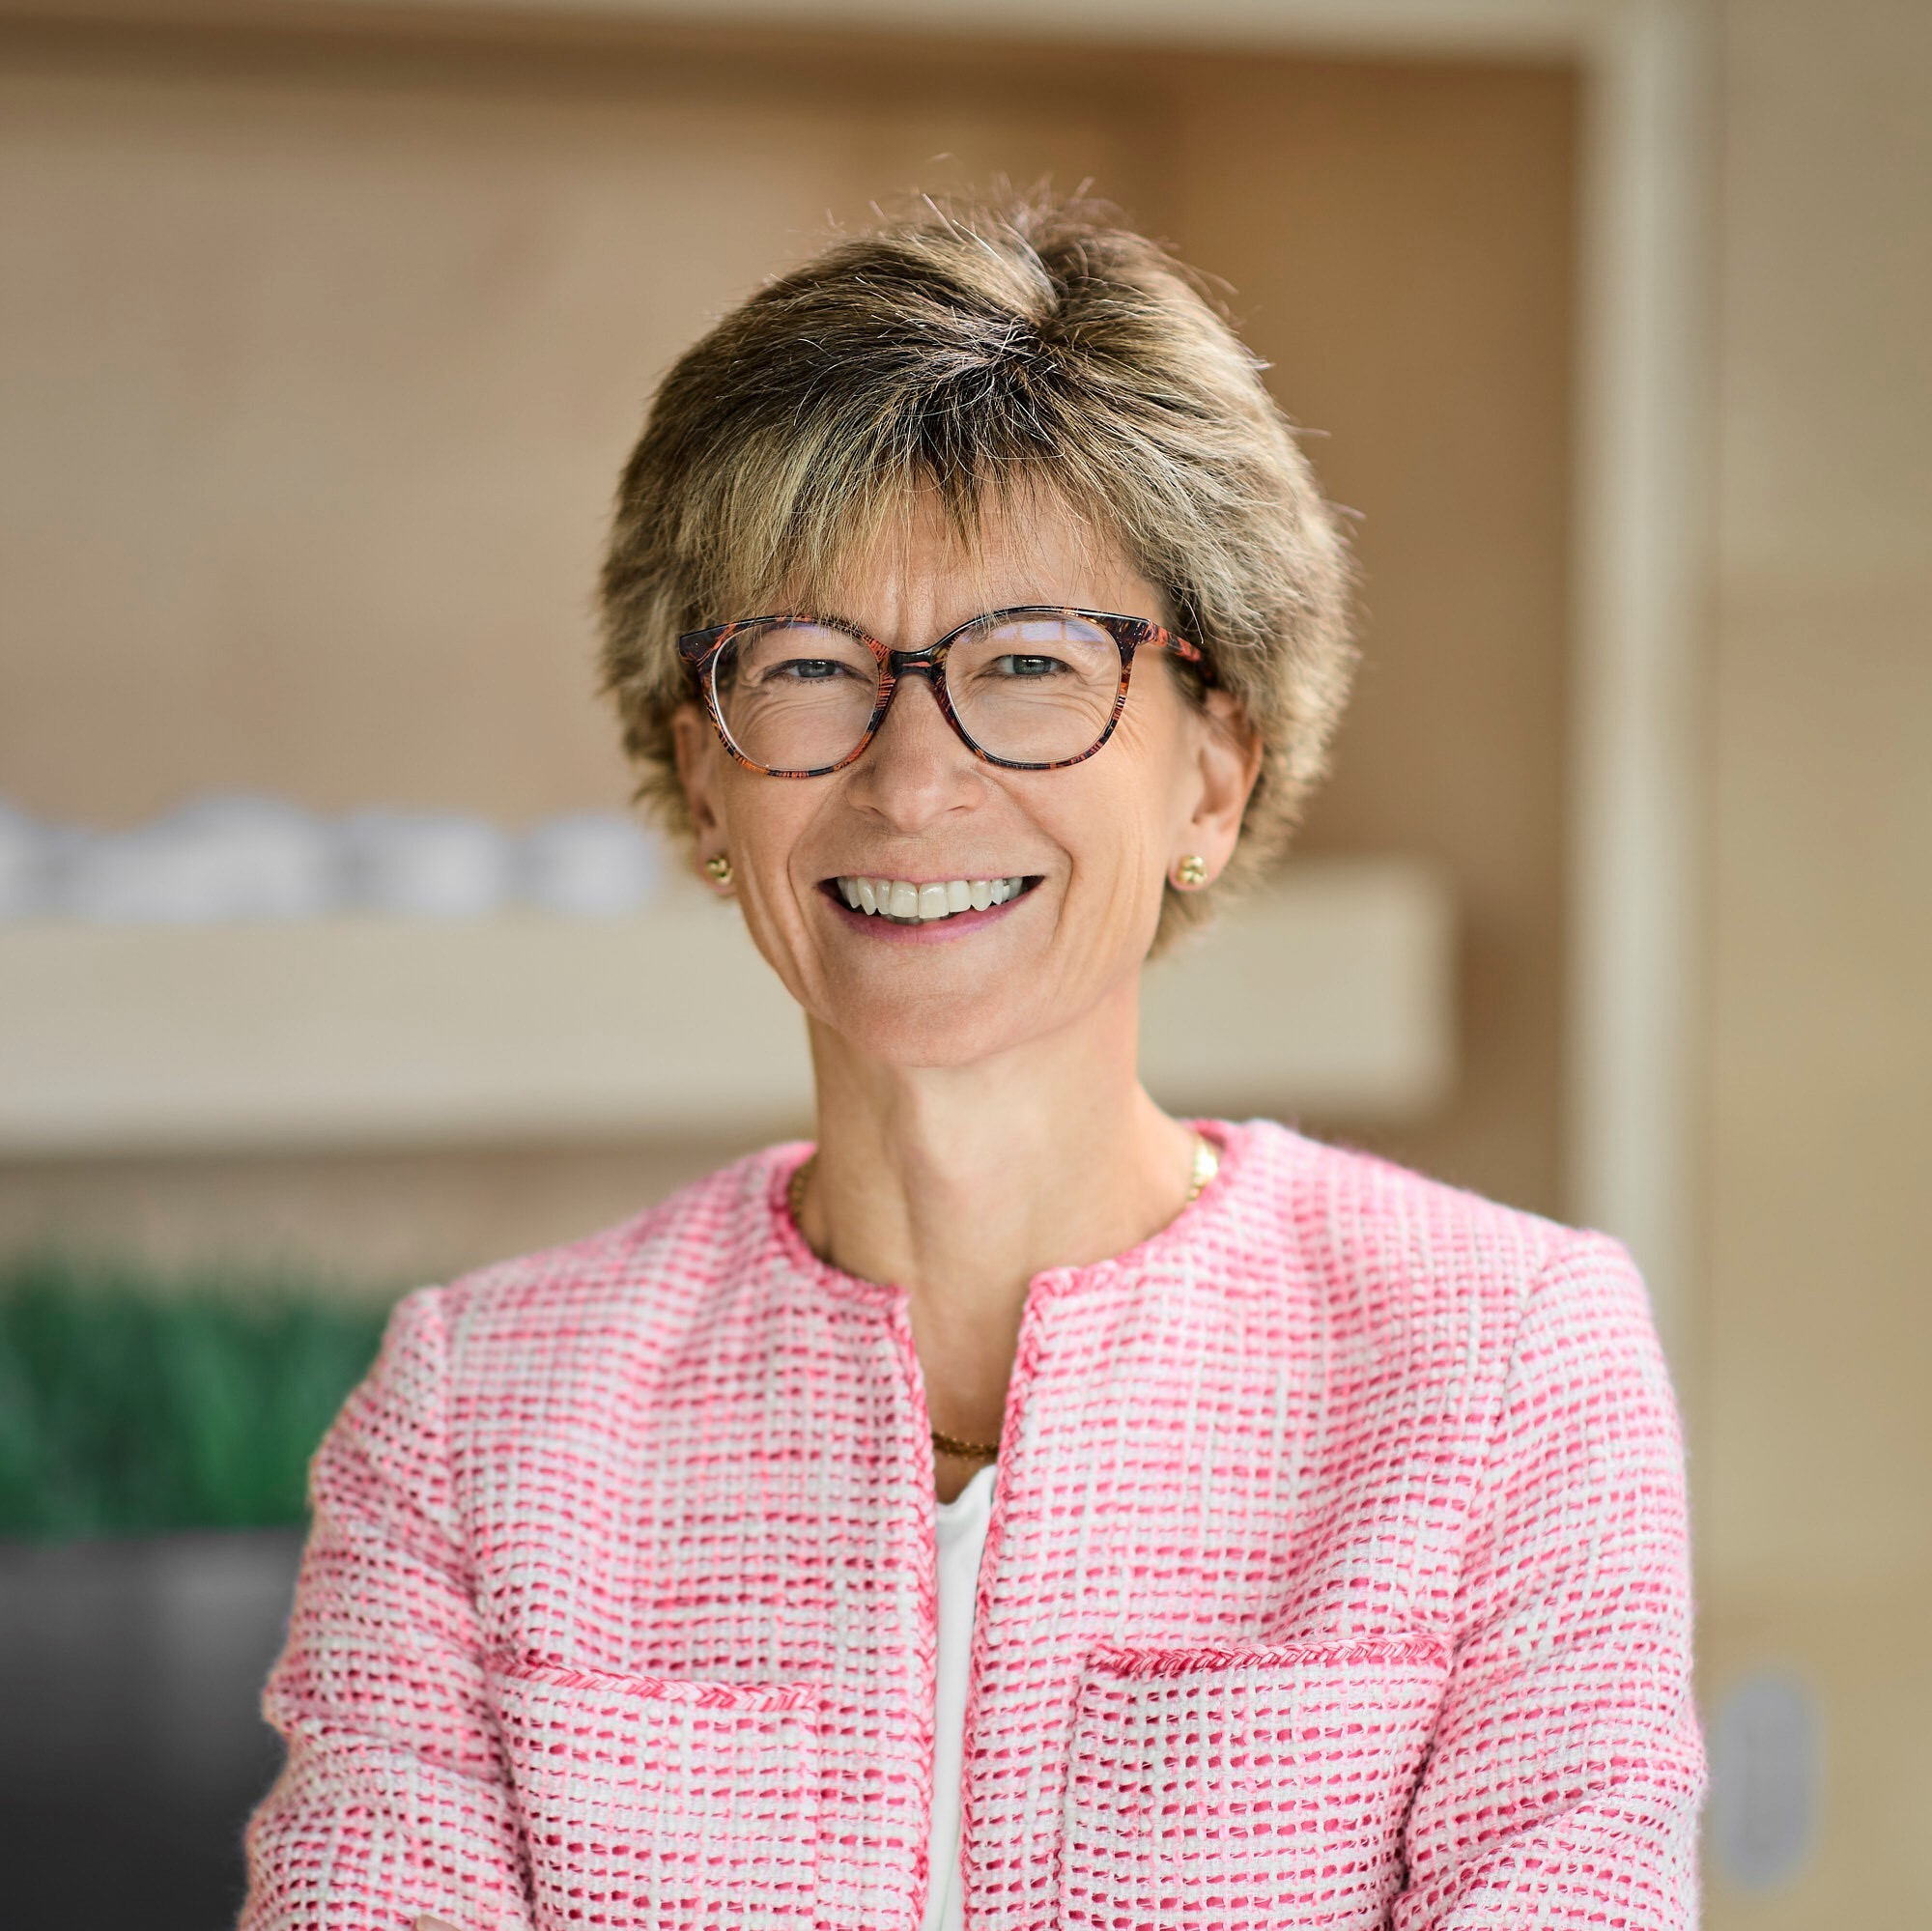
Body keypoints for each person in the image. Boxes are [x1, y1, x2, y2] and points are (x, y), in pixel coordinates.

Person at [240, 189, 1707, 1931]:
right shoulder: (476, 1419)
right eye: (806, 665)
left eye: (1028, 661)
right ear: (704, 777)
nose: (913, 779)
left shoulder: (1505, 1368)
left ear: (1214, 769)